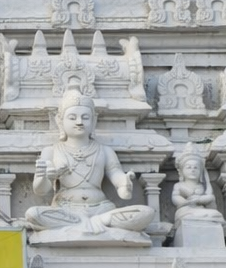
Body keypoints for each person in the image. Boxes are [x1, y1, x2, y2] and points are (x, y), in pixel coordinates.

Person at [25, 88, 154, 239]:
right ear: (60, 121)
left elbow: (117, 177)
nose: (79, 122)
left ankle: (95, 222)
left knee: (147, 213)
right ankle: (85, 223)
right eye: (72, 117)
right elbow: (41, 190)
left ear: (94, 121)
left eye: (85, 117)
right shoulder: (52, 151)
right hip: (66, 209)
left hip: (101, 209)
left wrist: (125, 183)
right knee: (33, 214)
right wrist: (45, 177)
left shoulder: (104, 151)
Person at [171, 143, 223, 222]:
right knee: (195, 216)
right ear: (181, 171)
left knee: (216, 214)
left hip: (201, 209)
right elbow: (175, 197)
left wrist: (199, 200)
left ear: (201, 171)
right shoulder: (179, 185)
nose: (193, 170)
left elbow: (210, 197)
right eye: (188, 167)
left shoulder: (203, 186)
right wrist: (187, 202)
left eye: (196, 167)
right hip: (185, 209)